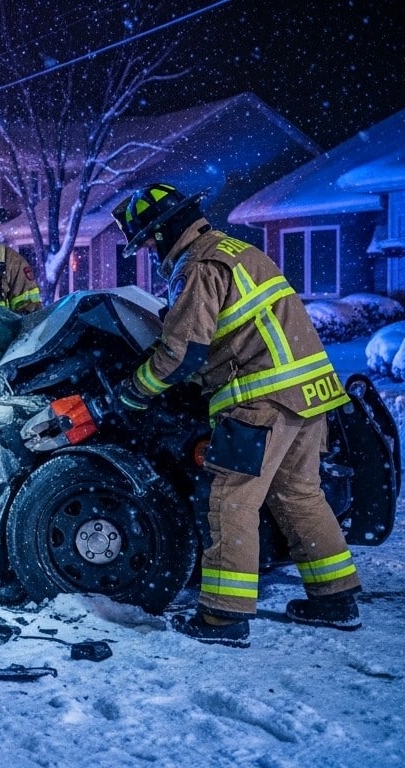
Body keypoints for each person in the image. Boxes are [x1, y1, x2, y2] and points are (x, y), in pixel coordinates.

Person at [108, 182, 361, 647]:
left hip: (260, 399)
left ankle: (224, 617)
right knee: (300, 495)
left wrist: (132, 393)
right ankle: (335, 599)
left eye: (145, 241)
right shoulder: (236, 251)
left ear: (162, 232)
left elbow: (182, 352)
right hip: (310, 394)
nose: (146, 252)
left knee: (229, 500)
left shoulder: (199, 265)